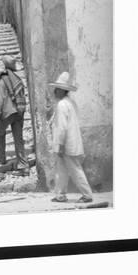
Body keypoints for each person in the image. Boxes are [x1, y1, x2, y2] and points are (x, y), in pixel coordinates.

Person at [48, 72, 93, 203]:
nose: (55, 91)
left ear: (62, 90)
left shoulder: (62, 105)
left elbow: (62, 127)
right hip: (70, 143)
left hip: (67, 145)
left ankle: (87, 195)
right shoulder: (70, 102)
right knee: (61, 170)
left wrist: (60, 145)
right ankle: (60, 195)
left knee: (75, 170)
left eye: (57, 89)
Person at [0, 56, 30, 173]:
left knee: (0, 133)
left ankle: (2, 159)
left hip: (7, 112)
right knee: (18, 138)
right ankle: (23, 164)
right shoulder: (17, 78)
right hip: (19, 111)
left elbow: (0, 100)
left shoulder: (3, 80)